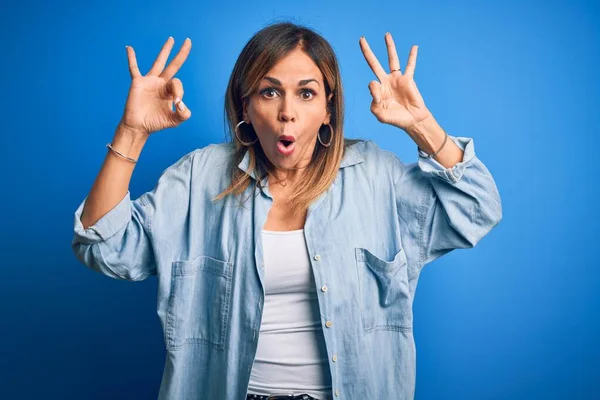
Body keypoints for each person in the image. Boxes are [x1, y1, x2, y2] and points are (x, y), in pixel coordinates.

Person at [72, 21, 502, 400]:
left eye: (306, 93)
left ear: (328, 108)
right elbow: (104, 248)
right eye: (269, 91)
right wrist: (131, 132)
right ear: (245, 106)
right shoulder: (199, 177)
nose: (287, 113)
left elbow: (478, 208)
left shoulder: (377, 176)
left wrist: (420, 125)